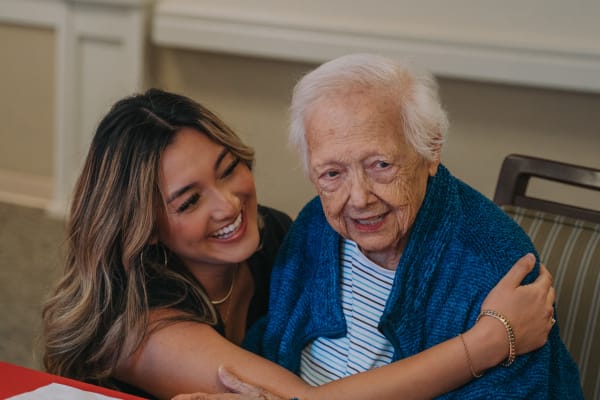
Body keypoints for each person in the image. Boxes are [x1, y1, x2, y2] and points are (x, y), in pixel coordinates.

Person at [41, 88, 555, 400]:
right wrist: (489, 340)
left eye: (229, 170)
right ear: (144, 225)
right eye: (189, 201)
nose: (229, 205)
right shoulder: (140, 326)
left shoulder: (279, 236)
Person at [237, 54, 583, 399]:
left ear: (431, 150)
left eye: (380, 165)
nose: (358, 198)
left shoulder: (494, 262)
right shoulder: (315, 223)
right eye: (332, 173)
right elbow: (275, 338)